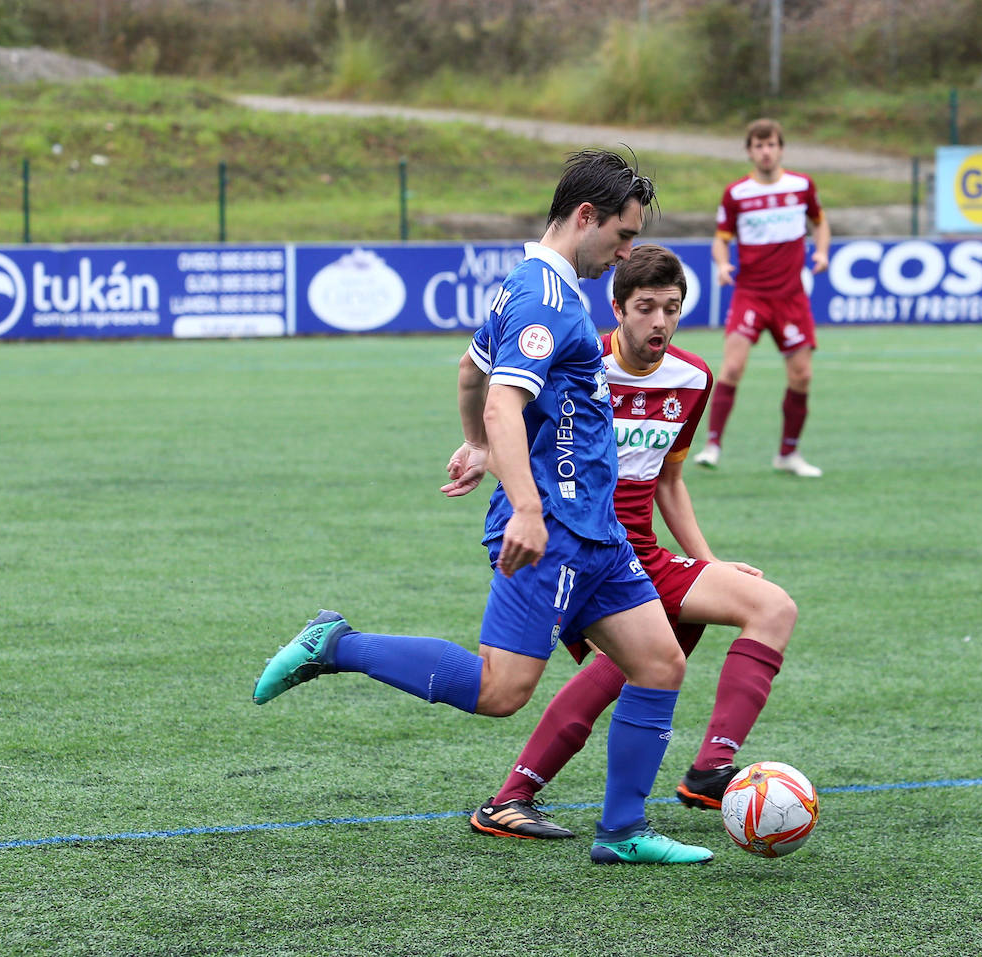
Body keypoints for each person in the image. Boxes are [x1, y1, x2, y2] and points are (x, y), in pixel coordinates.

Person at [252, 149, 713, 866]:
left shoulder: (530, 286)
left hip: (598, 531)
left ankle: (622, 831)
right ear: (585, 217)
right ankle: (335, 643)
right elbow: (501, 396)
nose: (627, 251)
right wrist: (524, 506)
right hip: (553, 529)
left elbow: (471, 369)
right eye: (623, 236)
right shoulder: (544, 299)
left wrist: (473, 444)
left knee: (659, 661)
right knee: (502, 690)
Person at [463, 244, 798, 840]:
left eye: (672, 308)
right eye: (646, 308)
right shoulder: (579, 361)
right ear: (616, 310)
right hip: (580, 545)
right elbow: (501, 406)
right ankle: (514, 796)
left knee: (770, 605)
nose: (660, 322)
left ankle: (710, 769)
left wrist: (708, 562)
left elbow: (669, 480)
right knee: (627, 667)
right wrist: (492, 467)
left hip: (642, 551)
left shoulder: (692, 378)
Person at [692, 117, 831, 478]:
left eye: (771, 144)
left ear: (781, 148)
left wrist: (822, 252)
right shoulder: (737, 193)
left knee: (801, 375)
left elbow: (820, 221)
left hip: (790, 298)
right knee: (733, 367)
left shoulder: (802, 186)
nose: (766, 151)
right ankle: (713, 445)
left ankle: (788, 454)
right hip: (750, 294)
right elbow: (721, 238)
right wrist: (722, 266)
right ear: (749, 151)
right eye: (758, 145)